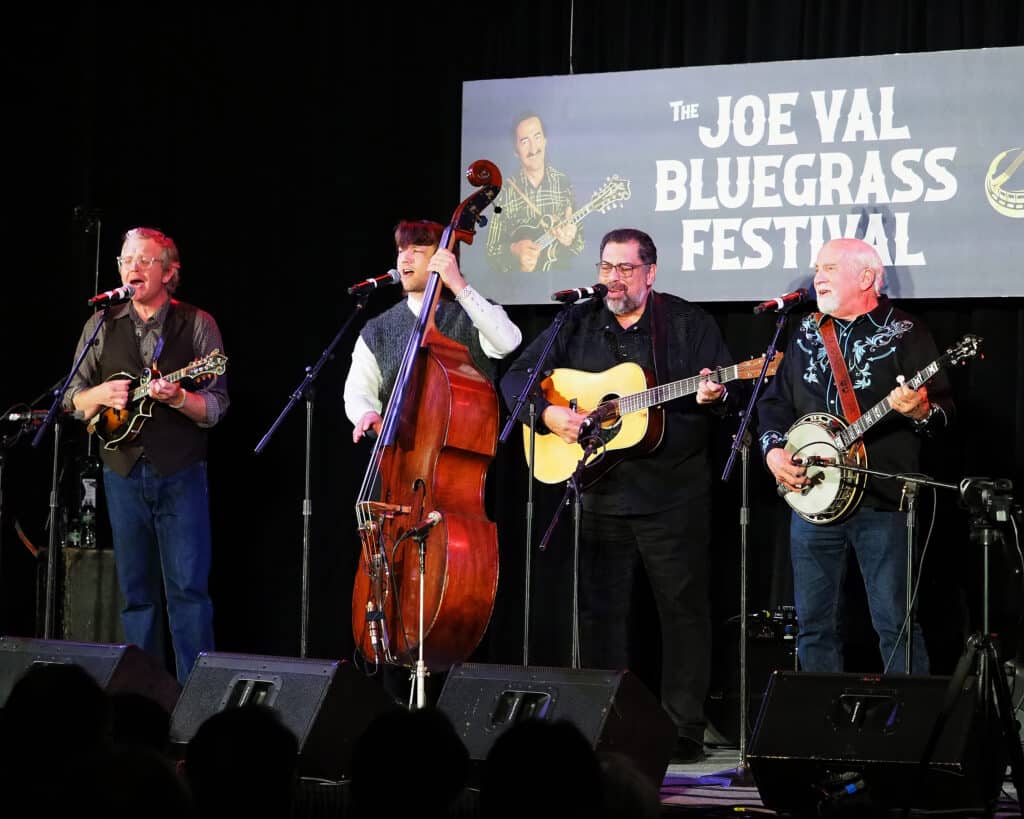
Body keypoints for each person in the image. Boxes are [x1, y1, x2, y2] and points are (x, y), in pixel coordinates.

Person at [499, 227, 735, 764]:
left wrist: (715, 393)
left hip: (672, 494)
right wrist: (548, 413)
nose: (613, 279)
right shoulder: (577, 319)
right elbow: (515, 379)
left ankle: (683, 730)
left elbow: (730, 391)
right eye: (607, 267)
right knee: (599, 615)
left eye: (625, 269)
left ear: (650, 274)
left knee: (681, 614)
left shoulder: (686, 324)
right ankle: (604, 722)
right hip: (598, 492)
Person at [756, 237, 954, 675]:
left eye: (828, 268)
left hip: (882, 500)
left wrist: (920, 409)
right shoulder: (806, 330)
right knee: (813, 626)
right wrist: (773, 452)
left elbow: (943, 411)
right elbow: (772, 403)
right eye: (816, 269)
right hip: (811, 501)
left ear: (866, 278)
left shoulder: (906, 331)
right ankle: (821, 736)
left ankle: (907, 735)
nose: (817, 277)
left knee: (894, 624)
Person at [65, 226, 229, 685]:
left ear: (168, 271)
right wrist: (98, 393)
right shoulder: (102, 324)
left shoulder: (197, 323)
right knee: (136, 596)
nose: (132, 268)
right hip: (121, 471)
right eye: (125, 260)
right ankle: (142, 699)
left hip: (180, 471)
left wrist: (178, 398)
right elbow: (71, 399)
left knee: (188, 594)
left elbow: (216, 406)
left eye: (143, 259)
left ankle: (197, 701)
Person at [344, 218, 522, 443]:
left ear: (443, 258)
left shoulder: (472, 314)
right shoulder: (377, 330)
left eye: (417, 250)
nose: (405, 258)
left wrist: (457, 283)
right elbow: (357, 391)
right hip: (397, 459)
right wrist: (367, 413)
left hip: (463, 453)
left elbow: (507, 342)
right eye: (401, 251)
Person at [484, 112, 584, 274]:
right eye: (524, 141)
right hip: (518, 288)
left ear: (545, 141)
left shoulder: (564, 183)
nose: (533, 148)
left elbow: (580, 244)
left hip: (560, 283)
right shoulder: (503, 192)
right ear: (516, 151)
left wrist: (570, 239)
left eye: (537, 137)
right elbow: (491, 252)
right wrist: (514, 250)